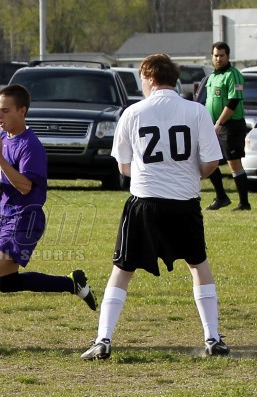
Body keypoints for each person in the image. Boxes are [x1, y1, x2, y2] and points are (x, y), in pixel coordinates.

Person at [81, 54, 229, 361]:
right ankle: (213, 337)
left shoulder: (133, 112)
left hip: (145, 203)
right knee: (198, 266)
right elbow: (211, 162)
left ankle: (103, 339)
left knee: (122, 270)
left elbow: (123, 166)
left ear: (149, 78)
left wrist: (153, 175)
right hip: (184, 203)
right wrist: (189, 175)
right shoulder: (196, 111)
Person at [0, 84, 98, 353]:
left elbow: (25, 186)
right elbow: (8, 175)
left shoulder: (31, 146)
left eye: (5, 110)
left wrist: (0, 159)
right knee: (8, 283)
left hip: (24, 220)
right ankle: (72, 283)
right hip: (8, 219)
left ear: (22, 111)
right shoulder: (5, 137)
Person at [204, 41, 251, 211]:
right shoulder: (212, 76)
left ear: (228, 56)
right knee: (207, 159)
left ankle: (244, 203)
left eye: (222, 55)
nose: (218, 59)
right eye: (216, 55)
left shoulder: (234, 75)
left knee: (233, 163)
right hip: (213, 125)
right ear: (212, 56)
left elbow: (234, 100)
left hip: (230, 125)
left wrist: (219, 123)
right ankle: (221, 197)